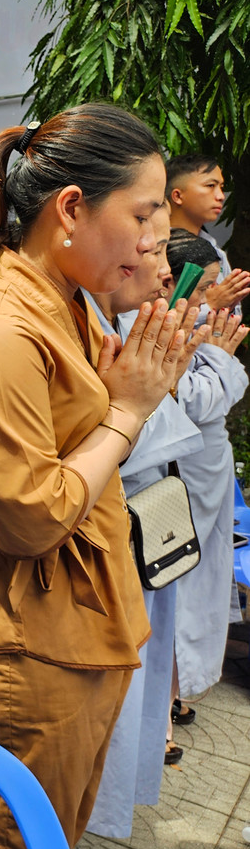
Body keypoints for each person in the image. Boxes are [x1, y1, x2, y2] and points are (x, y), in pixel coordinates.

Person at [0, 105, 191, 849]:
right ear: (72, 208)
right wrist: (127, 411)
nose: (159, 238)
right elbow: (33, 517)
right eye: (145, 214)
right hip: (27, 650)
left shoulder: (68, 304)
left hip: (78, 633)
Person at [84, 212, 207, 840]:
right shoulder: (74, 329)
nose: (166, 273)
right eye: (151, 247)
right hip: (99, 539)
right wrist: (137, 406)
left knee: (129, 691)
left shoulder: (118, 321)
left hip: (139, 523)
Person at [164, 230, 250, 704]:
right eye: (202, 288)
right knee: (183, 576)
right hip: (185, 470)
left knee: (208, 571)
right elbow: (199, 399)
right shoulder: (168, 324)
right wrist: (219, 355)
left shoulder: (197, 324)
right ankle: (170, 695)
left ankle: (179, 690)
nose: (210, 301)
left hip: (209, 466)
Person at [166, 154, 250, 312]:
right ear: (177, 195)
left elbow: (233, 310)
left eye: (222, 187)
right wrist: (210, 305)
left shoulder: (215, 249)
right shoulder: (156, 249)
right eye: (210, 186)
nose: (220, 196)